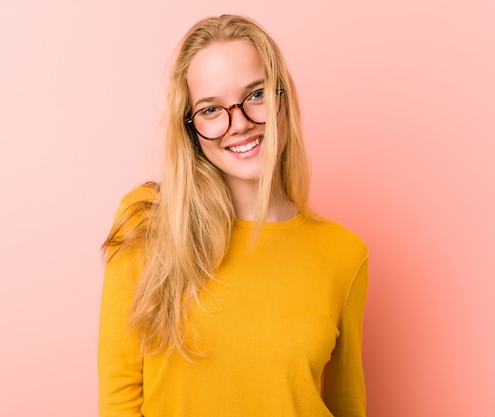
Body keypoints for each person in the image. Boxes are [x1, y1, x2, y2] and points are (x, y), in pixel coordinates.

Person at [98, 14, 368, 417]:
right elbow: (119, 397)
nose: (238, 124)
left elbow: (346, 405)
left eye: (255, 94)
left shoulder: (344, 254)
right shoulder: (149, 221)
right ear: (190, 126)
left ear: (282, 98)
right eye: (211, 109)